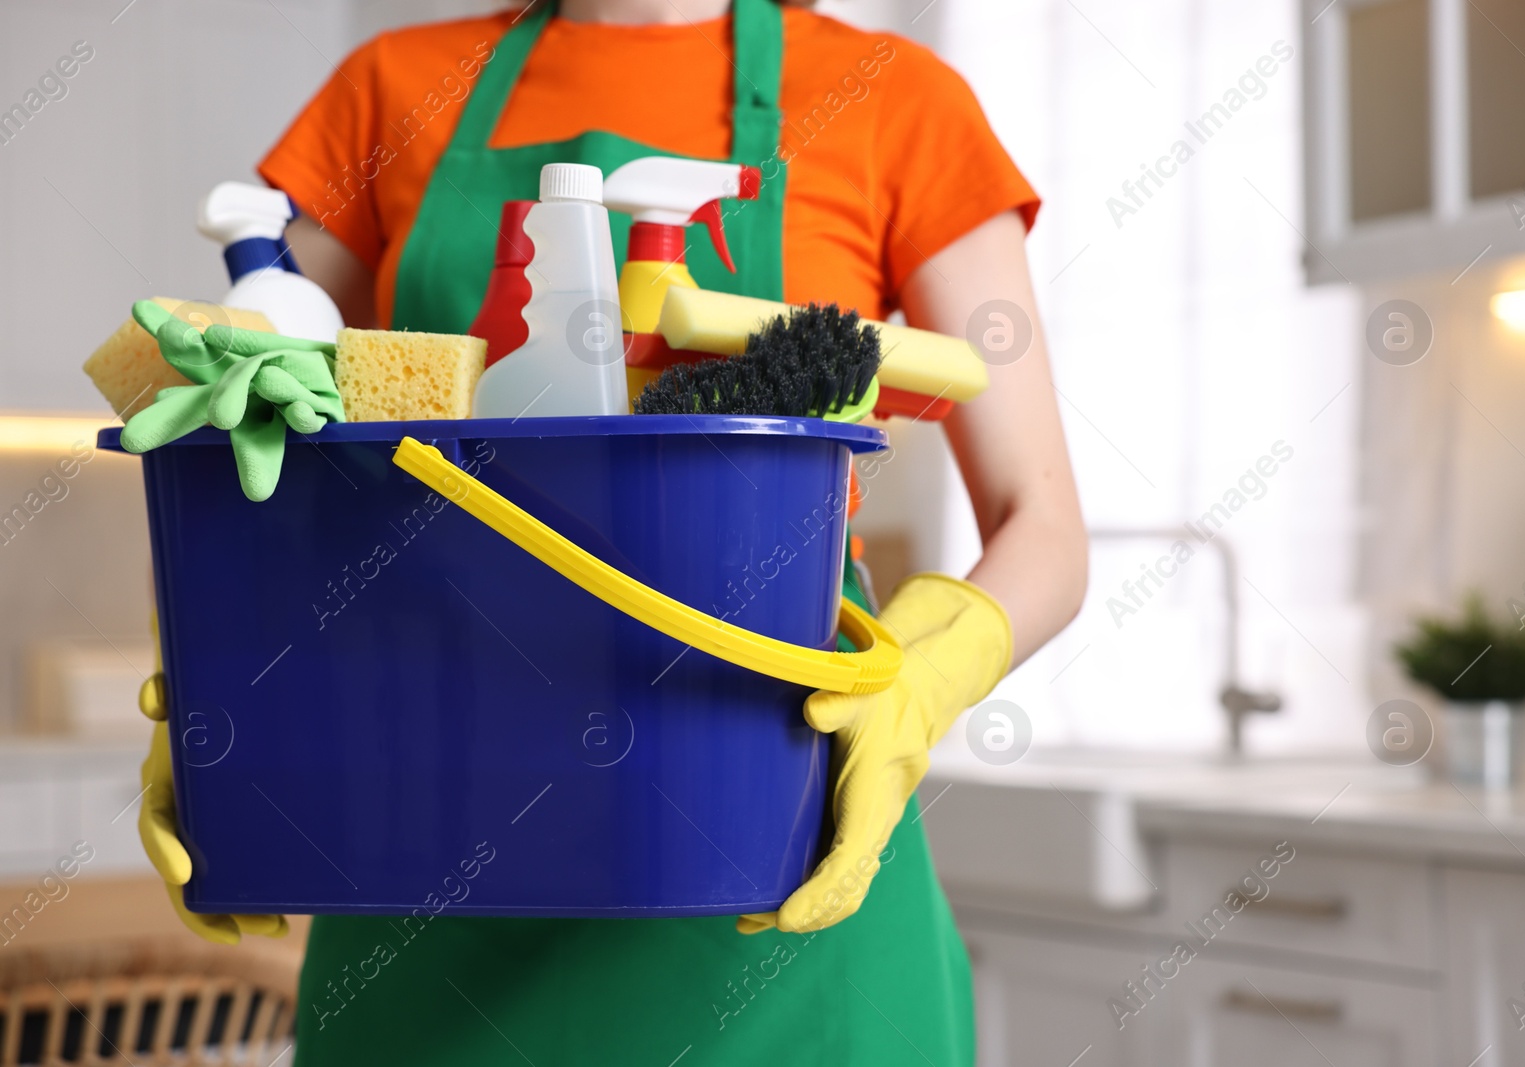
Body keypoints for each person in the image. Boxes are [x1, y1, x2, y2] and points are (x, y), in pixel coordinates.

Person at [136, 0, 1088, 1062]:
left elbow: (1040, 521)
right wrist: (233, 702)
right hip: (426, 853)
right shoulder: (395, 90)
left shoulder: (892, 96)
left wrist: (917, 679)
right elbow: (267, 430)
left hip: (775, 859)